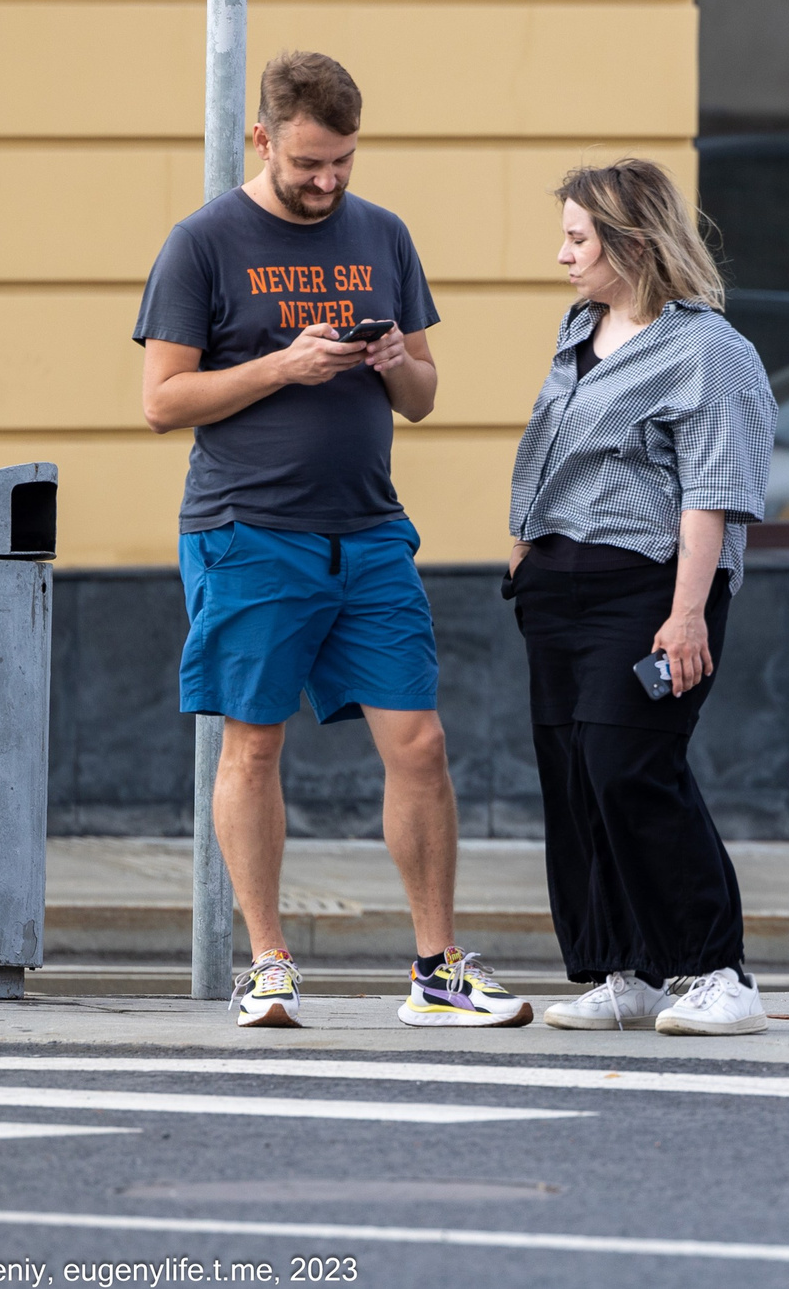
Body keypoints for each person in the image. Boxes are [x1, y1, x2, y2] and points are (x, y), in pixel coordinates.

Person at [136, 50, 530, 1030]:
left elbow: (427, 397)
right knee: (254, 746)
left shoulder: (382, 234)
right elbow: (161, 401)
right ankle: (267, 962)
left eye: (343, 161)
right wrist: (280, 367)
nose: (328, 181)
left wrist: (397, 362)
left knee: (422, 742)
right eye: (309, 163)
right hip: (247, 533)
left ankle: (436, 970)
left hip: (370, 535)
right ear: (262, 138)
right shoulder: (202, 243)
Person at [507, 161, 776, 1037]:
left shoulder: (708, 350)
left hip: (649, 585)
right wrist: (523, 560)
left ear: (631, 242)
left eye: (579, 238)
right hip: (557, 585)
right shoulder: (579, 328)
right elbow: (549, 449)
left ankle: (719, 971)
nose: (562, 255)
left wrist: (688, 610)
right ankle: (625, 971)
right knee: (576, 778)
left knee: (632, 766)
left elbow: (715, 489)